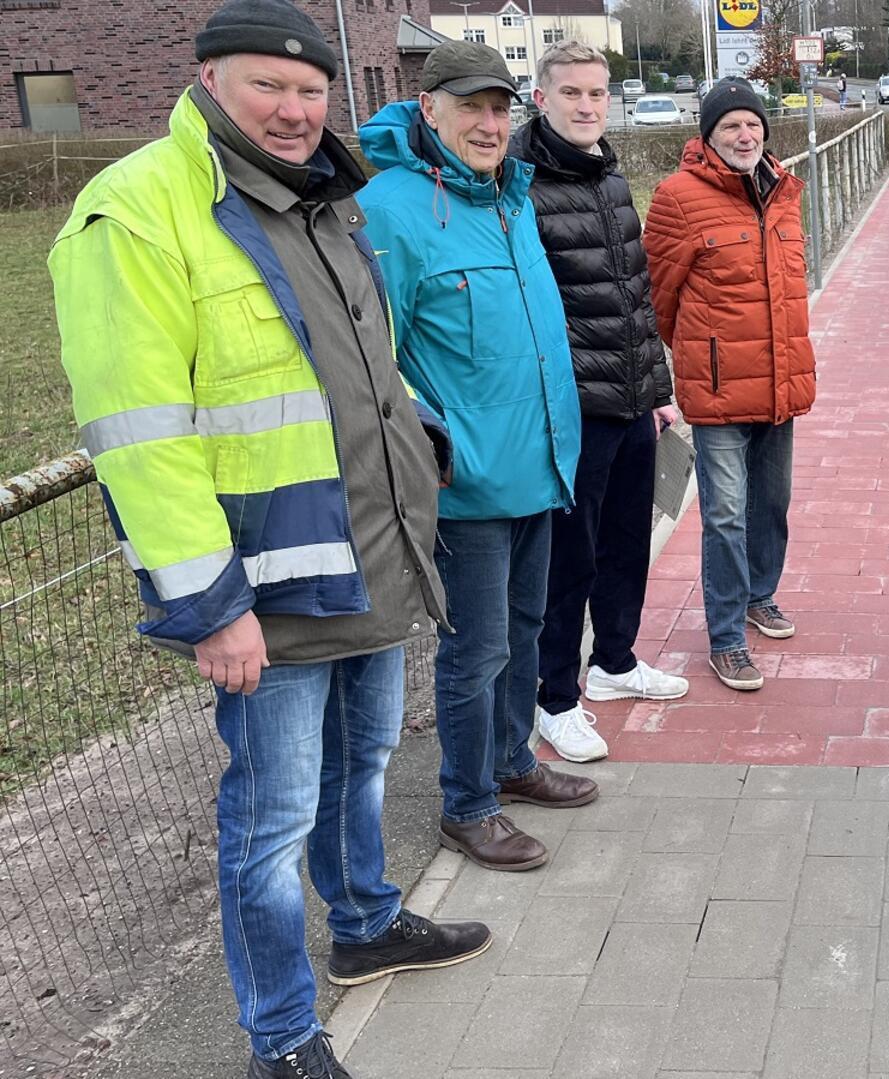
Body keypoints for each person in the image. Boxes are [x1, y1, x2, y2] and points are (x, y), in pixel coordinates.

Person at [48, 3, 492, 1075]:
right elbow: (139, 435)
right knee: (270, 821)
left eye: (309, 91)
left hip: (372, 551)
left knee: (366, 764)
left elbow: (360, 363)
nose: (295, 111)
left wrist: (419, 439)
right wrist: (210, 605)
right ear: (206, 81)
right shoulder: (140, 210)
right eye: (268, 88)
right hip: (268, 587)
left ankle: (368, 919)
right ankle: (281, 1035)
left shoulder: (321, 200)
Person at [359, 41, 597, 873]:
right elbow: (371, 357)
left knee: (524, 631)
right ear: (429, 110)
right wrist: (435, 439)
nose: (490, 124)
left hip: (538, 462)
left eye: (500, 109)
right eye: (471, 108)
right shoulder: (388, 210)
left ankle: (510, 760)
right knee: (476, 649)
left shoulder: (509, 197)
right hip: (467, 482)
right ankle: (467, 802)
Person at [510, 41, 690, 764]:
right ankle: (555, 697)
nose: (588, 106)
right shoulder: (521, 183)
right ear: (542, 97)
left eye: (597, 93)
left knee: (626, 546)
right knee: (568, 560)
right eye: (572, 94)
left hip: (632, 400)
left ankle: (614, 662)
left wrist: (658, 393)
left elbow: (634, 298)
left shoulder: (609, 176)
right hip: (573, 410)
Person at [644, 77, 815, 692]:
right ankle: (725, 638)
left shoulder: (784, 192)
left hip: (780, 384)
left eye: (753, 125)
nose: (745, 135)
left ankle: (759, 595)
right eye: (730, 127)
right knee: (724, 515)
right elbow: (658, 299)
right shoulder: (677, 198)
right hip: (717, 391)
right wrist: (700, 357)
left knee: (772, 505)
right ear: (708, 137)